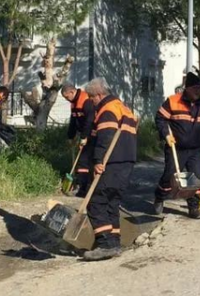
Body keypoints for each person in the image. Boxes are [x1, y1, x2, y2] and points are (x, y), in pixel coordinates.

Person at [81, 78, 137, 261]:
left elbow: (106, 137)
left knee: (96, 201)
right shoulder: (124, 108)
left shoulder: (107, 110)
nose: (90, 101)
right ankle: (114, 242)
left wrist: (98, 160)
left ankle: (105, 244)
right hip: (127, 162)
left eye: (91, 97)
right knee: (112, 201)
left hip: (111, 163)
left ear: (99, 94)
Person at [154, 72, 200, 219]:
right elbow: (160, 119)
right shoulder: (173, 101)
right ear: (187, 89)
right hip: (176, 148)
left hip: (195, 150)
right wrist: (166, 135)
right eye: (195, 89)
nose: (198, 92)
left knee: (196, 179)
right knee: (169, 177)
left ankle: (194, 207)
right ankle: (160, 196)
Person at [61, 83, 96, 196]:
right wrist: (70, 136)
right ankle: (83, 186)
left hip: (93, 133)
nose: (67, 99)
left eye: (67, 97)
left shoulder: (86, 100)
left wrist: (84, 137)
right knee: (83, 161)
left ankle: (83, 188)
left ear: (72, 92)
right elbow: (73, 121)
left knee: (84, 161)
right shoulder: (73, 103)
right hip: (84, 134)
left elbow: (89, 121)